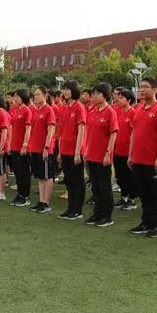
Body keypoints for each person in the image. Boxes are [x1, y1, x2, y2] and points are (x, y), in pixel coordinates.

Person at [128, 76, 157, 238]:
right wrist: (131, 155)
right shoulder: (138, 109)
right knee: (144, 194)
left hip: (153, 161)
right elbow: (134, 133)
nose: (141, 89)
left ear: (154, 90)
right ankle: (145, 222)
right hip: (138, 160)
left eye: (145, 86)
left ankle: (155, 225)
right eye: (141, 86)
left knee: (156, 196)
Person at [84, 83, 119, 227]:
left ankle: (106, 216)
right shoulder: (93, 112)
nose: (94, 96)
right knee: (95, 187)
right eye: (93, 93)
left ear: (105, 95)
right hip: (91, 155)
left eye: (97, 93)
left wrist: (108, 153)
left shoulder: (110, 112)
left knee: (105, 187)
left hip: (103, 156)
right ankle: (97, 213)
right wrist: (86, 151)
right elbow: (89, 134)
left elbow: (113, 134)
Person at [55, 80, 88, 220]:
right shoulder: (64, 108)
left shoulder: (79, 107)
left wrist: (77, 152)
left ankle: (77, 210)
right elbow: (61, 131)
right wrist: (60, 151)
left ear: (74, 90)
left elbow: (81, 131)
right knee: (68, 180)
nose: (65, 91)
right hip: (65, 150)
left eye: (68, 89)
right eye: (64, 89)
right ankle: (70, 208)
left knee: (77, 180)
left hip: (75, 151)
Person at [28, 86, 57, 213]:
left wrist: (46, 147)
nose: (35, 97)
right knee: (40, 176)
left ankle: (46, 202)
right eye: (35, 95)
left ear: (45, 95)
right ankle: (41, 200)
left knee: (47, 176)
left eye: (38, 94)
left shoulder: (48, 110)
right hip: (35, 148)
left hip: (44, 149)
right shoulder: (36, 111)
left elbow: (51, 131)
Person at [8, 89, 33, 207]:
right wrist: (10, 144)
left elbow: (28, 129)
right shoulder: (16, 110)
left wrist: (25, 144)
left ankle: (25, 196)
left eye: (18, 96)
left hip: (22, 147)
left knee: (24, 172)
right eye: (15, 97)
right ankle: (20, 193)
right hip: (14, 146)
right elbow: (12, 128)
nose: (15, 98)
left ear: (23, 97)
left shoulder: (27, 110)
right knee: (17, 172)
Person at [113, 88, 137, 211]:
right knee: (120, 176)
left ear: (129, 100)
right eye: (119, 97)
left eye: (122, 98)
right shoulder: (118, 112)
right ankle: (124, 197)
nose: (119, 99)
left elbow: (135, 133)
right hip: (117, 150)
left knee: (130, 176)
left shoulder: (133, 113)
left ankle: (132, 199)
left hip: (128, 151)